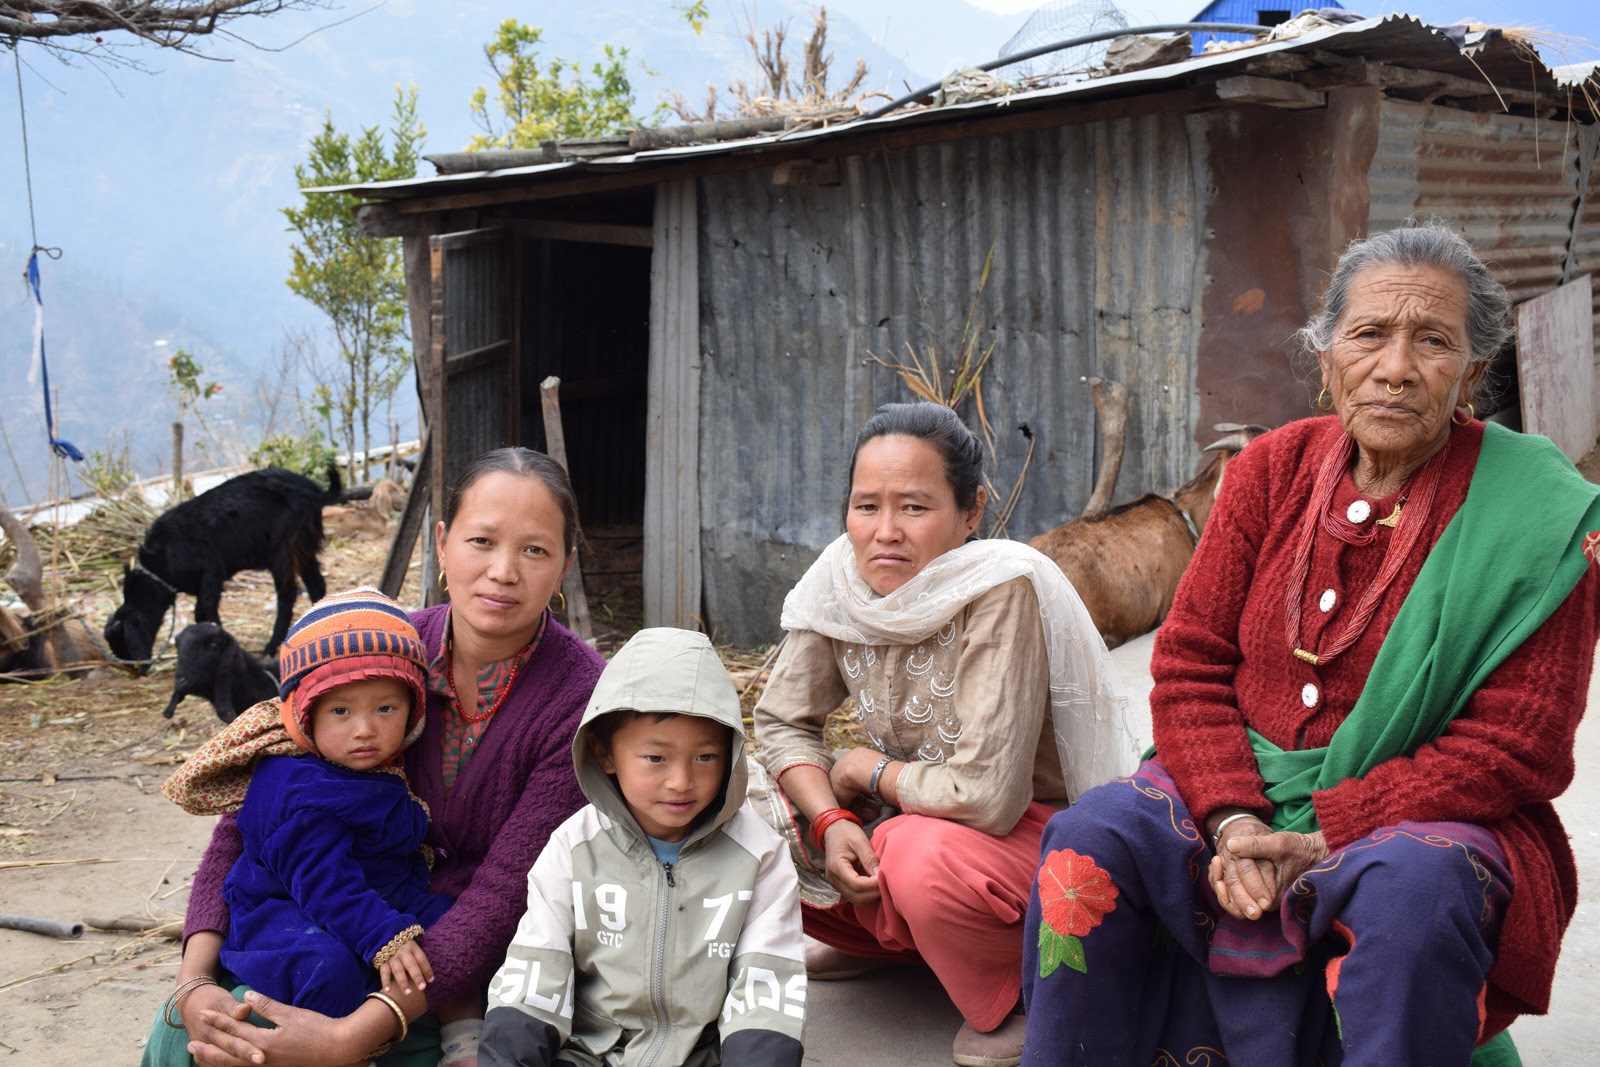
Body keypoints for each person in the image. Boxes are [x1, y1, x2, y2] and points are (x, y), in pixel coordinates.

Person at [1020, 222, 1600, 1067]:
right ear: (1327, 358)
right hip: (1238, 793)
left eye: (1432, 340)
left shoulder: (1540, 518)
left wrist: (1328, 831)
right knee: (1093, 835)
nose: (1395, 366)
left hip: (1421, 815)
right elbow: (1190, 665)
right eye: (1368, 335)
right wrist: (1235, 819)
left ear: (1472, 373)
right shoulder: (1268, 471)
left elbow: (1519, 747)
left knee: (1415, 891)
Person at [146, 448, 607, 1067]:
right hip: (315, 918)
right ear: (442, 545)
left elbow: (504, 895)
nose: (503, 571)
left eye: (535, 550)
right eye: (481, 540)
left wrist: (351, 1038)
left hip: (463, 971)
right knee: (185, 1040)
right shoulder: (374, 645)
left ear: (564, 566)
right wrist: (193, 980)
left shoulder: (580, 698)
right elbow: (253, 817)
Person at [752, 401, 1138, 1067]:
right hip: (914, 816)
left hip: (1027, 833)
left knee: (912, 852)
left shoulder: (1000, 588)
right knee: (732, 805)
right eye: (866, 505)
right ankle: (884, 935)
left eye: (914, 506)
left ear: (971, 511)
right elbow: (783, 720)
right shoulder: (839, 580)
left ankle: (1015, 995)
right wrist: (830, 819)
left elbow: (988, 795)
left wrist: (865, 773)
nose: (885, 532)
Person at [161, 589, 477, 1043]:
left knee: (454, 925)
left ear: (414, 709)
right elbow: (323, 882)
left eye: (385, 708)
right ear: (303, 715)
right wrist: (384, 935)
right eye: (341, 711)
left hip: (372, 896)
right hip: (288, 911)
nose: (365, 729)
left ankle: (462, 1032)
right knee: (328, 967)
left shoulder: (375, 767)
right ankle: (333, 1050)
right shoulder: (299, 792)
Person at [479, 627, 806, 1067]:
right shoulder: (574, 847)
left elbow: (767, 988)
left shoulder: (759, 856)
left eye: (706, 757)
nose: (681, 781)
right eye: (656, 758)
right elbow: (538, 971)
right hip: (588, 1051)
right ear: (605, 754)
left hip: (706, 1054)